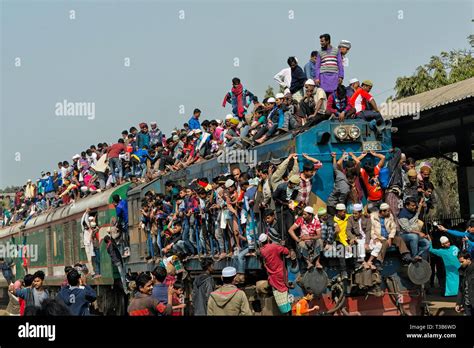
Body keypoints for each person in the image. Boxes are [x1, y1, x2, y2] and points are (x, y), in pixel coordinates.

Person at [258, 233, 291, 314]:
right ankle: (289, 310)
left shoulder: (262, 251)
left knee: (278, 295)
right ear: (268, 239)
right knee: (285, 293)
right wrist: (281, 245)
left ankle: (284, 311)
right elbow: (286, 251)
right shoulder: (274, 246)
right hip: (281, 273)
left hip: (273, 277)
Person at [288, 206, 323, 271]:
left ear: (310, 215)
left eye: (305, 214)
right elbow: (290, 230)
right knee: (301, 244)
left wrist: (309, 237)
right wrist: (297, 239)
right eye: (303, 214)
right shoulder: (300, 220)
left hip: (313, 241)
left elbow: (319, 235)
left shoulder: (316, 222)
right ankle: (308, 263)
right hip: (303, 241)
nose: (303, 216)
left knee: (320, 241)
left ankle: (317, 262)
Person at [457, 251, 474, 316]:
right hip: (467, 304)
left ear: (468, 259)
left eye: (462, 262)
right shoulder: (461, 271)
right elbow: (460, 288)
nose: (461, 264)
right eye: (459, 262)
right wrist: (458, 303)